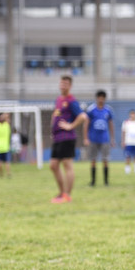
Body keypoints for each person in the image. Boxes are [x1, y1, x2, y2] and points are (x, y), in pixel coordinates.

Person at [50, 75, 87, 204]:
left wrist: (70, 125)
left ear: (70, 86)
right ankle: (61, 193)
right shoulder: (58, 100)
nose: (62, 85)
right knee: (53, 165)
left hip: (67, 138)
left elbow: (82, 116)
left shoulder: (72, 100)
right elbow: (55, 115)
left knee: (67, 165)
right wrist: (52, 129)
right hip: (57, 137)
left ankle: (67, 195)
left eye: (65, 83)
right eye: (61, 83)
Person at [84, 90, 115, 186]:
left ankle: (106, 181)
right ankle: (93, 181)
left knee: (105, 160)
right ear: (97, 98)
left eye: (103, 97)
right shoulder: (91, 110)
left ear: (105, 99)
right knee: (93, 160)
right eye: (99, 97)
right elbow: (86, 124)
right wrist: (86, 138)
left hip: (104, 139)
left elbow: (111, 124)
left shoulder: (108, 110)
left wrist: (112, 138)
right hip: (93, 139)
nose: (101, 99)